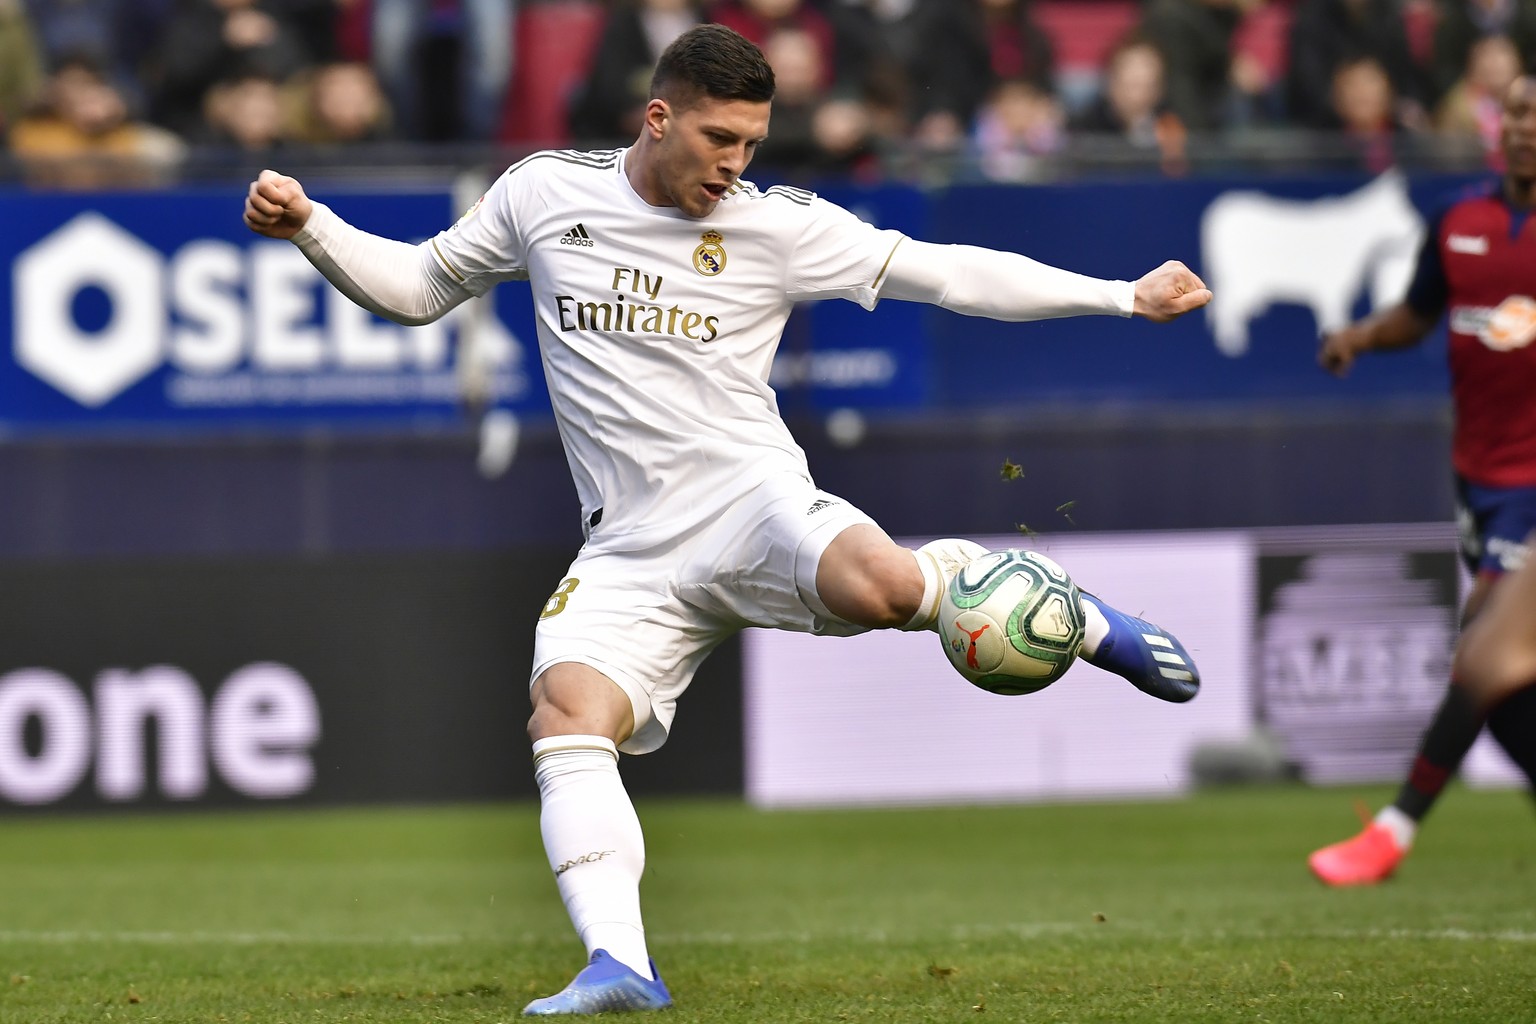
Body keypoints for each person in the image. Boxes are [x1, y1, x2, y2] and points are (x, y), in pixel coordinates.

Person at [244, 24, 1209, 1014]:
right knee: (567, 710)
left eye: (751, 143)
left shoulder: (775, 224)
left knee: (882, 590)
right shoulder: (545, 195)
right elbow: (419, 286)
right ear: (657, 118)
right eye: (718, 139)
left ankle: (1079, 620)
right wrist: (313, 225)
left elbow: (945, 271)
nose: (734, 164)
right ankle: (621, 964)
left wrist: (1121, 296)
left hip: (753, 501)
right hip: (626, 547)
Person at [1309, 73, 1536, 887]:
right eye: (1516, 112)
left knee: (1486, 656)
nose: (1526, 128)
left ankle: (1394, 832)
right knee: (1498, 671)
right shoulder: (1460, 221)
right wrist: (1361, 337)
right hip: (1481, 480)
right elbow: (1420, 312)